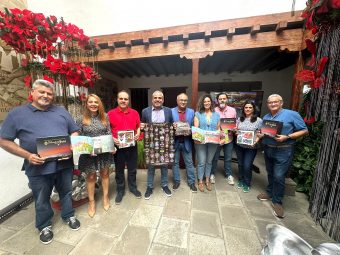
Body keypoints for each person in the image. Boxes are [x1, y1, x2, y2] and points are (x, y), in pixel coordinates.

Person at [0, 79, 80, 245]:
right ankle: (44, 225)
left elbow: (74, 131)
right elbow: (4, 140)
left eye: (49, 93)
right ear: (33, 92)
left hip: (64, 164)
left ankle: (68, 215)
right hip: (37, 167)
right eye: (42, 92)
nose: (46, 95)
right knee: (42, 197)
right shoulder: (17, 114)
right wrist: (28, 155)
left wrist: (71, 147)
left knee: (66, 192)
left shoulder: (61, 111)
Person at [257, 94, 308, 219]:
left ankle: (277, 202)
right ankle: (269, 192)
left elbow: (304, 130)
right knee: (269, 172)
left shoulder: (292, 114)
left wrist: (288, 137)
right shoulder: (267, 116)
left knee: (279, 176)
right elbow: (266, 132)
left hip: (284, 150)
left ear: (281, 102)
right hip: (268, 148)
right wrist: (261, 135)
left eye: (275, 102)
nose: (272, 104)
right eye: (270, 102)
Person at [76, 94, 114, 217]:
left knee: (105, 174)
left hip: (103, 153)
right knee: (91, 177)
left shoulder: (105, 117)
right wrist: (86, 149)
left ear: (99, 104)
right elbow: (79, 137)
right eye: (90, 102)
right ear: (87, 104)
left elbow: (108, 133)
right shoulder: (80, 119)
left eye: (96, 102)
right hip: (89, 154)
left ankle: (105, 197)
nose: (93, 104)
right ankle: (91, 202)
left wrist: (112, 147)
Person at [108, 90, 142, 204]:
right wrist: (113, 139)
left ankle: (133, 187)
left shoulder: (135, 113)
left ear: (128, 101)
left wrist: (137, 133)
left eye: (125, 99)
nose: (123, 101)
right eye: (121, 98)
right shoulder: (110, 114)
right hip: (118, 146)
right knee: (119, 170)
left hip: (132, 145)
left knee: (132, 168)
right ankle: (120, 190)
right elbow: (107, 130)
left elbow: (138, 126)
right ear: (117, 100)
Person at [141, 90, 173, 199]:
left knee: (164, 165)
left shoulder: (169, 111)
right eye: (155, 98)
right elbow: (143, 127)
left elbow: (171, 125)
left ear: (163, 100)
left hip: (165, 142)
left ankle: (164, 185)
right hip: (151, 143)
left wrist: (175, 127)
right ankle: (149, 187)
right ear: (152, 99)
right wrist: (141, 128)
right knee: (151, 166)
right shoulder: (145, 111)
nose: (157, 100)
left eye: (160, 98)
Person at [194, 94, 221, 192]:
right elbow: (196, 128)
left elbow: (218, 129)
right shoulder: (198, 114)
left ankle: (207, 180)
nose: (206, 103)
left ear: (211, 103)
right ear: (202, 103)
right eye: (205, 101)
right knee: (201, 162)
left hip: (213, 142)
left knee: (209, 161)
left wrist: (221, 136)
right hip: (201, 142)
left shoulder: (217, 115)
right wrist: (196, 137)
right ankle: (200, 181)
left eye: (208, 101)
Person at [234, 100, 262, 193]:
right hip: (239, 145)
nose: (248, 109)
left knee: (247, 165)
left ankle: (247, 183)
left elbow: (259, 134)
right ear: (243, 109)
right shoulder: (239, 119)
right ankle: (241, 180)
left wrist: (256, 141)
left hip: (251, 147)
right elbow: (237, 132)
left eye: (250, 107)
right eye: (246, 107)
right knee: (241, 164)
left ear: (253, 109)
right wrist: (236, 132)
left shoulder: (258, 120)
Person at [171, 93, 197, 192]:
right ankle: (177, 181)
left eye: (185, 100)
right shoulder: (171, 111)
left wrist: (191, 130)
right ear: (177, 101)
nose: (183, 102)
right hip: (175, 141)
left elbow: (194, 126)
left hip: (187, 141)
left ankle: (191, 182)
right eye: (181, 100)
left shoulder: (191, 112)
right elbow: (168, 124)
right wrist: (172, 126)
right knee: (175, 163)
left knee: (189, 163)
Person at [211, 93, 237, 185]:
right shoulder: (213, 111)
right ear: (217, 100)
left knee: (228, 158)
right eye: (220, 99)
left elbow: (235, 123)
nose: (222, 100)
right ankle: (212, 174)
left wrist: (235, 128)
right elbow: (212, 124)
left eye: (224, 98)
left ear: (227, 100)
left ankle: (229, 174)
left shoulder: (232, 110)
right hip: (217, 139)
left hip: (228, 139)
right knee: (215, 157)